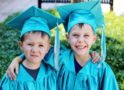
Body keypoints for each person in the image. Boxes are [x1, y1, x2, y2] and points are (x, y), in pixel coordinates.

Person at [55, 0, 119, 90]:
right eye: (75, 35)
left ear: (93, 38)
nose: (80, 40)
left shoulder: (102, 70)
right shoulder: (60, 61)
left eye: (86, 35)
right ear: (67, 37)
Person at [0, 6, 63, 90]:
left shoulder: (51, 73)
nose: (35, 50)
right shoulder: (12, 76)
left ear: (48, 48)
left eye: (41, 45)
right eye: (30, 44)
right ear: (21, 45)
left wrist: (18, 58)